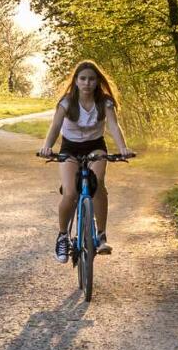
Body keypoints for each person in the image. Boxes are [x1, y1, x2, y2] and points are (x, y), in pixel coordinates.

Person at [38, 60, 134, 261]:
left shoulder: (105, 102)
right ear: (76, 81)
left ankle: (101, 235)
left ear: (97, 81)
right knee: (70, 192)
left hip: (95, 146)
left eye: (91, 79)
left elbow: (114, 127)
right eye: (83, 79)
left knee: (97, 184)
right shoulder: (67, 102)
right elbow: (55, 127)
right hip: (70, 147)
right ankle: (63, 236)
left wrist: (123, 148)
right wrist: (47, 147)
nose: (87, 83)